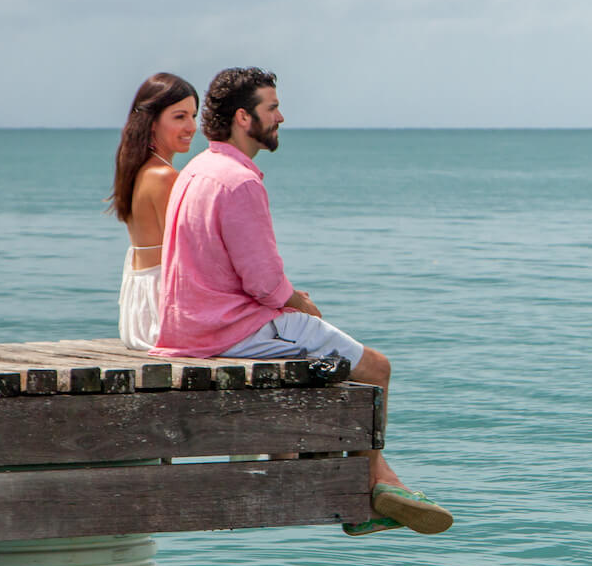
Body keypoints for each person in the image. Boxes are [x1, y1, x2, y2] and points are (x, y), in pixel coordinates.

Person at [154, 67, 450, 537]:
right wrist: (299, 302)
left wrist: (286, 299)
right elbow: (264, 283)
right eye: (271, 108)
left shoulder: (196, 171)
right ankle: (374, 485)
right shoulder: (240, 181)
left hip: (184, 328)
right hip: (231, 329)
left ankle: (356, 471)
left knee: (323, 359)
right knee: (375, 368)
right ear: (243, 119)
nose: (281, 117)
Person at [108, 72, 199, 352]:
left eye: (194, 116)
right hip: (163, 318)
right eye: (180, 116)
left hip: (138, 316)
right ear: (152, 121)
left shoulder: (137, 171)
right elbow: (189, 259)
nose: (192, 127)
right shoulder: (164, 176)